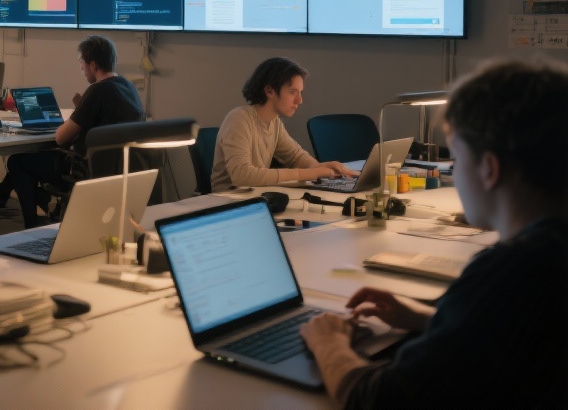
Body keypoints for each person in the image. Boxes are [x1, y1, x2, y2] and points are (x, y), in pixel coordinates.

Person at [300, 58, 568, 409]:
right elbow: (520, 333)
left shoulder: (514, 270)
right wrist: (434, 318)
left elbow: (381, 399)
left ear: (489, 169)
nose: (455, 175)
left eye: (456, 159)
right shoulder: (547, 255)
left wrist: (329, 343)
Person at [0, 35, 147, 229]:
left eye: (82, 63)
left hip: (85, 169)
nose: (81, 68)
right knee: (32, 160)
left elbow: (61, 137)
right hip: (118, 168)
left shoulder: (97, 91)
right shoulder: (128, 87)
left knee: (17, 162)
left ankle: (31, 225)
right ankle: (4, 197)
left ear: (93, 65)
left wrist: (76, 114)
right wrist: (81, 110)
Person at [209, 57, 353, 191]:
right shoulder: (239, 118)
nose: (299, 100)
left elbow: (295, 156)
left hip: (253, 199)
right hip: (226, 204)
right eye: (292, 92)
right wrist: (310, 173)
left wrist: (319, 167)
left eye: (300, 93)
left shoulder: (274, 122)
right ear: (269, 91)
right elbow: (242, 176)